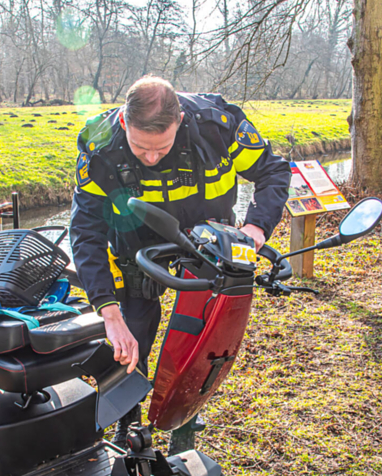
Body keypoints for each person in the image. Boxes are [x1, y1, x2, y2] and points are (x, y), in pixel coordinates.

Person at [69, 76, 290, 447]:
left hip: (206, 242)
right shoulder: (100, 146)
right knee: (131, 333)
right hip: (135, 245)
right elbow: (86, 230)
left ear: (181, 121)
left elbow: (273, 171)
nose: (152, 158)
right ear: (124, 123)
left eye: (162, 147)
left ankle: (185, 418)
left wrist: (255, 228)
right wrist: (108, 311)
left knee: (203, 337)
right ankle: (129, 423)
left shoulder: (218, 127)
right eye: (141, 149)